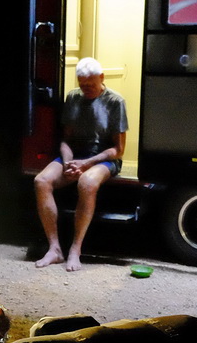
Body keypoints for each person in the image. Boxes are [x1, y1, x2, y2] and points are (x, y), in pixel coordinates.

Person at [34, 57, 128, 272]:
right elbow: (66, 140)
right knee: (41, 181)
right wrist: (68, 163)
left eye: (91, 84)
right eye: (82, 84)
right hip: (75, 157)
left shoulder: (115, 101)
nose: (86, 89)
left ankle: (75, 250)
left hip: (103, 159)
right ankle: (55, 249)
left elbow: (118, 149)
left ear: (102, 78)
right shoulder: (73, 97)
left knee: (86, 182)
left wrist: (86, 164)